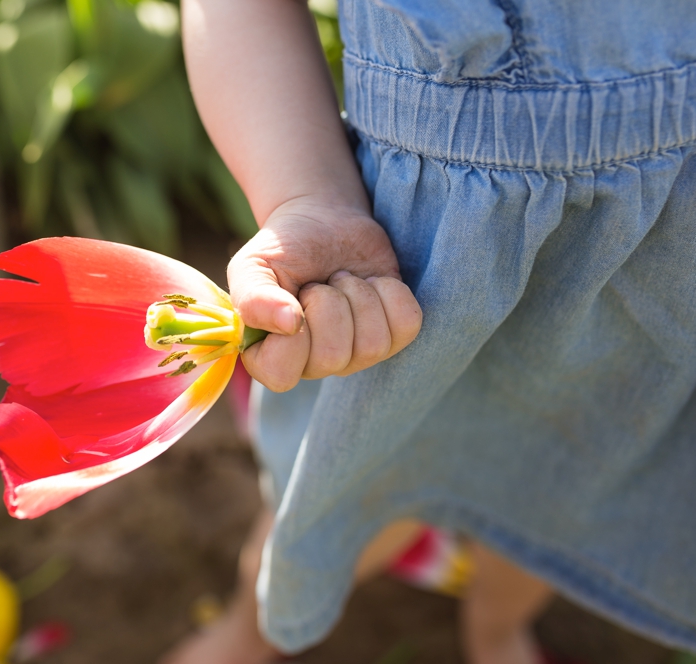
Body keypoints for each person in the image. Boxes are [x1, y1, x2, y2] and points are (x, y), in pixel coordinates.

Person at [168, 0, 696, 662]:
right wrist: (304, 193)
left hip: (640, 271)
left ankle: (497, 628)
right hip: (400, 267)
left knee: (547, 490)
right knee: (343, 487)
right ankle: (254, 627)